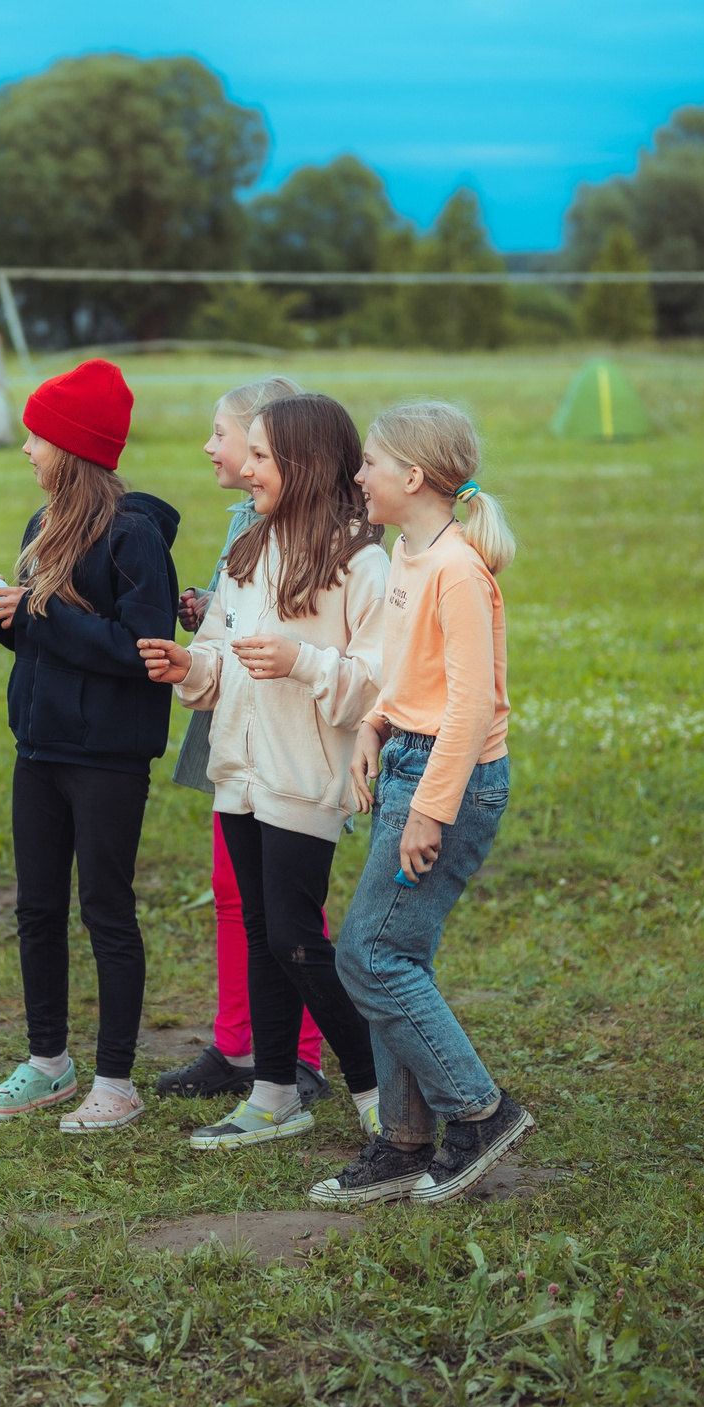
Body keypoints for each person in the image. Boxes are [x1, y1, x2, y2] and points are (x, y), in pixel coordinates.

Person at [139, 395, 387, 1154]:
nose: (245, 469)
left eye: (262, 458)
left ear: (305, 466)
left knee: (295, 935)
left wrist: (301, 661)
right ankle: (275, 1092)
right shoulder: (247, 551)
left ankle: (377, 1087)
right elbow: (219, 651)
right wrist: (191, 666)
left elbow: (381, 681)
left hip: (305, 779)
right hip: (238, 775)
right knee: (261, 932)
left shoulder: (360, 560)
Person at [313, 399, 533, 1208]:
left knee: (369, 955)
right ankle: (404, 1142)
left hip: (453, 778)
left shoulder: (457, 570)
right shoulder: (409, 554)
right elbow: (408, 673)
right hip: (408, 757)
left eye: (370, 462)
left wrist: (430, 812)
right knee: (391, 954)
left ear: (413, 475)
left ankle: (479, 1112)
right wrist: (373, 724)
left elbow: (473, 706)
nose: (358, 475)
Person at [0, 358, 178, 1134]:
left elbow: (143, 648)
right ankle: (48, 1062)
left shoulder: (135, 538)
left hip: (108, 757)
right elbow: (46, 642)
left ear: (73, 446)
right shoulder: (42, 525)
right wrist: (5, 621)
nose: (26, 448)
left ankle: (116, 1081)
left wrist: (39, 613)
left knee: (107, 911)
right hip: (40, 746)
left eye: (37, 435)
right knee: (37, 907)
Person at [151, 374, 332, 1107]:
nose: (211, 446)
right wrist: (202, 619)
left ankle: (307, 1054)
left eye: (222, 433)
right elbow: (235, 614)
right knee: (233, 892)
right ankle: (237, 1044)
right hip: (227, 719)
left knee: (290, 903)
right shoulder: (240, 520)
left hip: (286, 740)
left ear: (273, 445)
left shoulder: (329, 536)